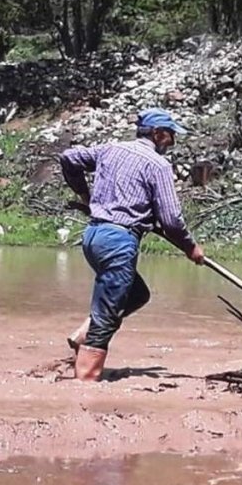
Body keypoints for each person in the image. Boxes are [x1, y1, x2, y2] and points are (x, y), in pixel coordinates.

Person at [61, 109, 205, 382]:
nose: (173, 141)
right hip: (118, 241)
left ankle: (84, 334)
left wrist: (84, 194)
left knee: (137, 294)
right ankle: (84, 386)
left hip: (93, 237)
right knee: (107, 316)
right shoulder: (157, 165)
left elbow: (69, 158)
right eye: (170, 134)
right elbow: (171, 219)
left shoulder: (110, 150)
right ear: (157, 134)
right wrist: (190, 247)